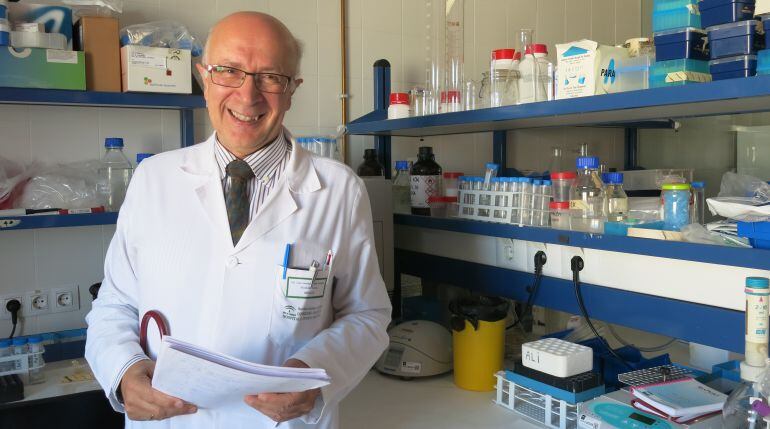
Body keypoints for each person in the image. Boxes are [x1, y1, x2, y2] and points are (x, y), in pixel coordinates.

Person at [85, 12, 392, 429]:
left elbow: (367, 315)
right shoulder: (153, 179)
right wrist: (122, 371)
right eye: (229, 71)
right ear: (204, 78)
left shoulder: (338, 190)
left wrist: (314, 373)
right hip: (172, 420)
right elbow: (115, 302)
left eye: (270, 77)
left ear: (292, 90)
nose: (248, 97)